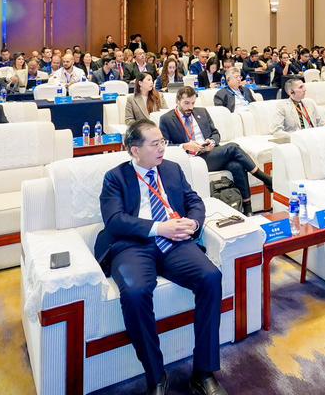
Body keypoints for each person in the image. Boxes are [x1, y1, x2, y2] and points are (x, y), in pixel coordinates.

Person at [94, 120, 228, 395]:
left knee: (211, 277)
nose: (162, 148)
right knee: (135, 292)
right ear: (135, 150)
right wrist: (159, 228)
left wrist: (194, 222)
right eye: (154, 144)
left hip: (174, 242)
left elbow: (194, 201)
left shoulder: (172, 169)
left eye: (163, 142)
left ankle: (203, 372)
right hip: (132, 245)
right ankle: (156, 376)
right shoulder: (115, 177)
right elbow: (114, 220)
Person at [159, 87, 272, 216]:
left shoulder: (201, 112)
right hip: (193, 158)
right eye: (186, 103)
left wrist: (212, 141)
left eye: (193, 103)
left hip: (209, 152)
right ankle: (265, 179)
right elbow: (164, 145)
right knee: (233, 147)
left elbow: (215, 133)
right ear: (178, 101)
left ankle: (248, 209)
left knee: (236, 166)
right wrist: (185, 146)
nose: (190, 107)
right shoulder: (166, 119)